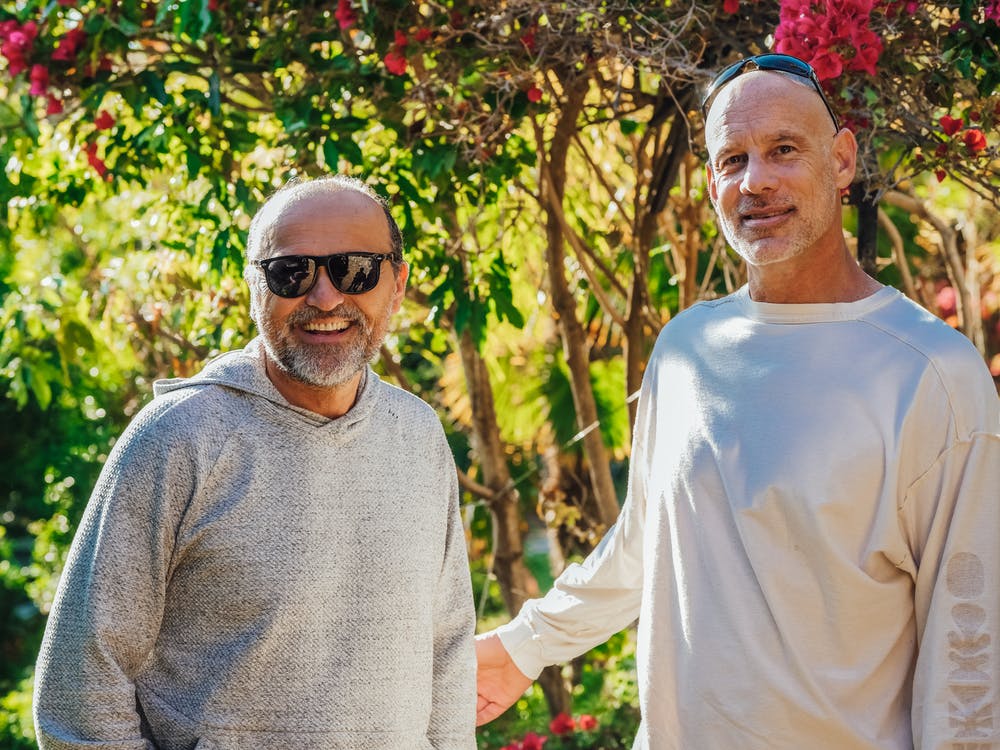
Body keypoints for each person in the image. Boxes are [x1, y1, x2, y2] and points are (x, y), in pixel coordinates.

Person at [475, 54, 1000, 749]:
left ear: (842, 160)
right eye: (733, 159)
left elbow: (969, 648)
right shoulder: (685, 348)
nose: (756, 181)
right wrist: (523, 647)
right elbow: (647, 543)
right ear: (712, 183)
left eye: (784, 149)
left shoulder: (931, 374)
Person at [33, 175, 477, 750]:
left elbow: (448, 646)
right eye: (291, 273)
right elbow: (78, 692)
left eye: (356, 270)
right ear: (253, 287)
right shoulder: (178, 438)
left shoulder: (417, 434)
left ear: (398, 283)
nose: (324, 298)